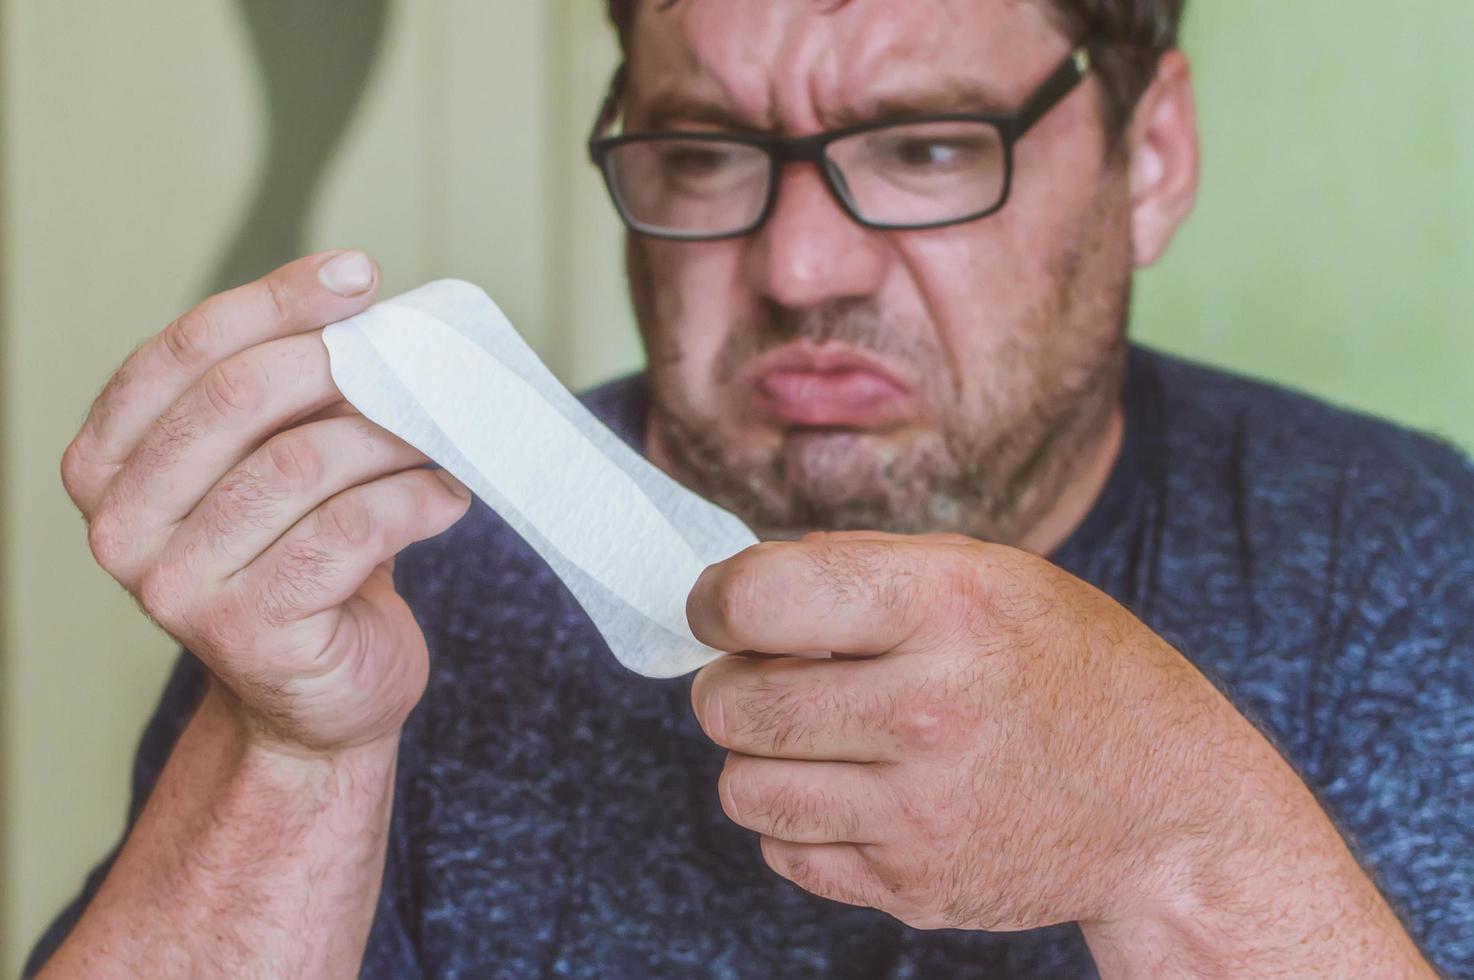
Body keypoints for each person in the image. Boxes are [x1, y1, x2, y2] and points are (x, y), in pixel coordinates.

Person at [25, 0, 1473, 976]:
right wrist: (292, 756)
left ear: (1148, 159)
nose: (799, 269)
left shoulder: (1404, 571)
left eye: (921, 148)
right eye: (707, 154)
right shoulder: (399, 586)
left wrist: (1187, 838)